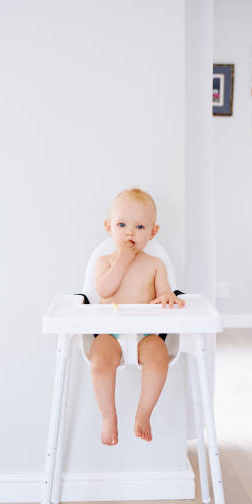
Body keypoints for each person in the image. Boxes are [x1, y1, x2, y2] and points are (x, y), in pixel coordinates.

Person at [89, 187, 185, 446]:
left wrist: (167, 298)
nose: (130, 232)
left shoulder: (156, 265)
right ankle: (109, 417)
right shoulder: (104, 261)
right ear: (109, 227)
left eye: (140, 227)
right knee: (99, 361)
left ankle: (144, 413)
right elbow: (104, 289)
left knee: (159, 358)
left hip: (146, 334)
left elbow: (165, 293)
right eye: (122, 224)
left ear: (153, 232)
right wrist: (122, 261)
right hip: (110, 333)